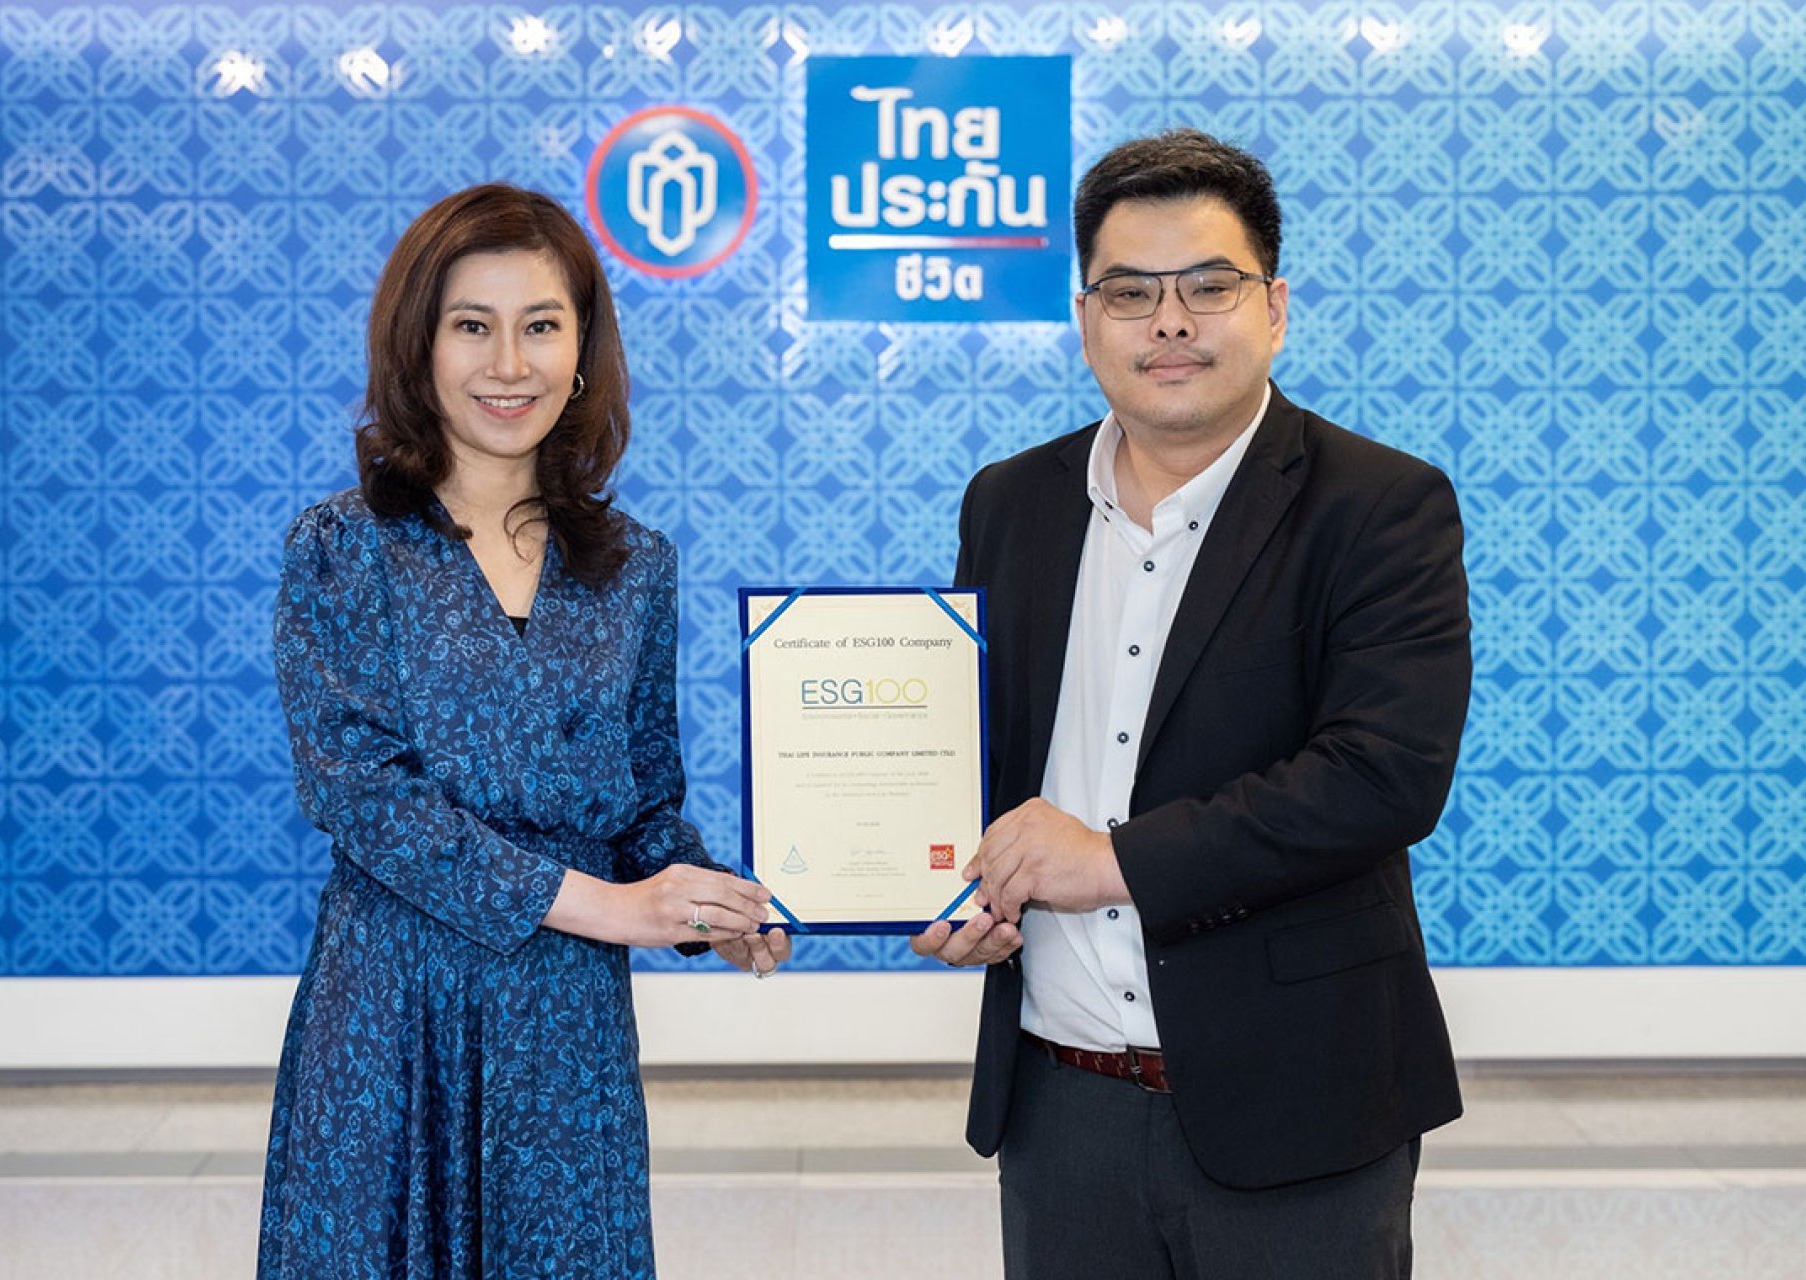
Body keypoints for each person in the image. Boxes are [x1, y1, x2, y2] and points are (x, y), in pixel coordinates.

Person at [911, 129, 1471, 1277]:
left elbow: (1382, 775)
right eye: (1130, 292)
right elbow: (984, 755)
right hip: (1059, 1102)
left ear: (1275, 307)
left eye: (1208, 286)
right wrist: (954, 881)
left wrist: (1106, 860)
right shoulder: (1009, 503)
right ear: (1085, 319)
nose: (1169, 322)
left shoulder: (1381, 504)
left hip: (1299, 1103)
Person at [258, 184, 790, 1279]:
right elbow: (361, 794)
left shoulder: (635, 564)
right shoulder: (344, 547)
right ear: (419, 345)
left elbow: (644, 804)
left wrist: (708, 906)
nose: (510, 363)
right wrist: (611, 907)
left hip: (567, 1029)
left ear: (583, 349)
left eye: (542, 325)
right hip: (395, 1012)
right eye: (473, 325)